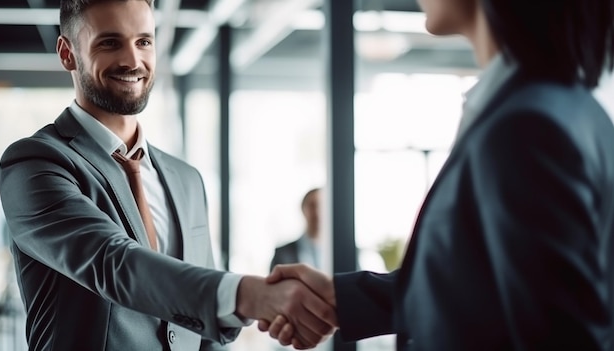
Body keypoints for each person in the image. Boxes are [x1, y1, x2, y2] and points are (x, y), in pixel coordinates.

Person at [263, 0, 614, 350]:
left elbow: (558, 335)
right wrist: (344, 298)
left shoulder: (525, 126)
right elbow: (483, 286)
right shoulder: (562, 106)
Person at [0, 1, 336, 350]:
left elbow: (203, 333)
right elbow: (113, 263)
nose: (133, 60)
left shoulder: (186, 179)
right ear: (67, 53)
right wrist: (249, 295)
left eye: (144, 41)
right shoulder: (34, 163)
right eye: (110, 43)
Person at [270, 188, 322, 271]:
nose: (317, 212)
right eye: (312, 206)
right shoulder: (282, 253)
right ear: (303, 210)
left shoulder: (343, 253)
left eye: (322, 206)